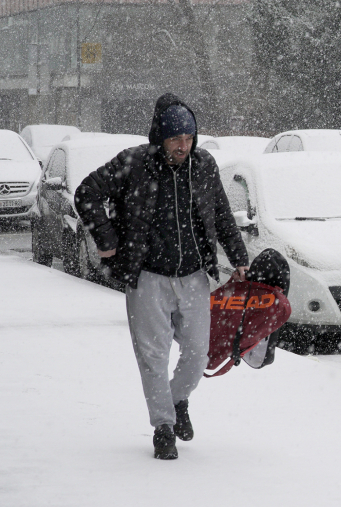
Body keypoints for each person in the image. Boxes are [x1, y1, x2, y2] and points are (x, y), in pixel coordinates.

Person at [75, 93, 249, 460]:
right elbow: (86, 192)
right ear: (160, 138)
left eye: (188, 139)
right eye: (175, 140)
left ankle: (177, 399)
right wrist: (106, 241)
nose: (182, 147)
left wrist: (239, 257)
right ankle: (163, 428)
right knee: (153, 356)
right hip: (148, 278)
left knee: (198, 353)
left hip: (194, 276)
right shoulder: (134, 163)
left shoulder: (203, 165)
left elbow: (220, 214)